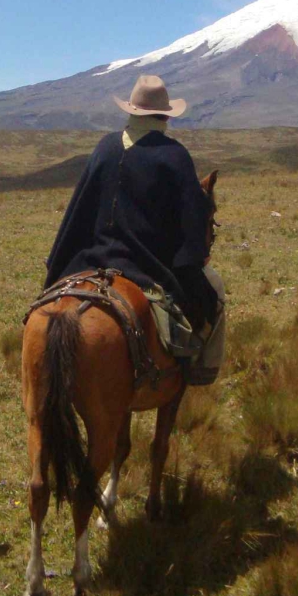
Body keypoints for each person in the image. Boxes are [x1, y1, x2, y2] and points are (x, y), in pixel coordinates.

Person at [44, 75, 225, 383]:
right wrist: (191, 258)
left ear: (131, 110)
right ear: (165, 115)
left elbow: (79, 210)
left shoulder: (105, 148)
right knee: (215, 290)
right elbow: (191, 222)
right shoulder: (174, 155)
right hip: (146, 267)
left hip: (89, 260)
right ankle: (201, 369)